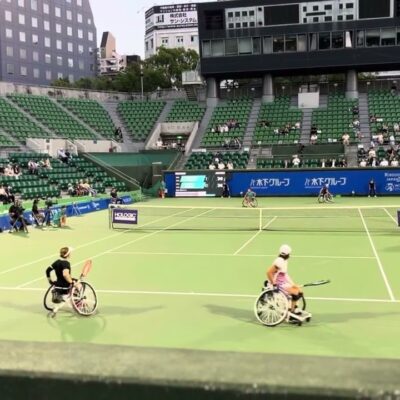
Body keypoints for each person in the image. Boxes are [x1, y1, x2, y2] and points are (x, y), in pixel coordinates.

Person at [266, 245, 304, 320]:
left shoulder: (284, 261)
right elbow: (269, 272)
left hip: (283, 283)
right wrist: (274, 284)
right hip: (278, 284)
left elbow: (285, 275)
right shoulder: (279, 262)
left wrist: (293, 284)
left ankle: (293, 308)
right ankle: (291, 313)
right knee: (296, 292)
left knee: (300, 292)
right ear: (287, 254)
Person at [45, 247, 82, 317]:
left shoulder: (57, 262)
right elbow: (65, 274)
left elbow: (47, 270)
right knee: (79, 284)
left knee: (75, 281)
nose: (71, 253)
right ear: (68, 254)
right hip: (65, 286)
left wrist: (50, 281)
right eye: (70, 252)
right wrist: (72, 282)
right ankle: (77, 303)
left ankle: (61, 304)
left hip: (57, 285)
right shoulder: (66, 263)